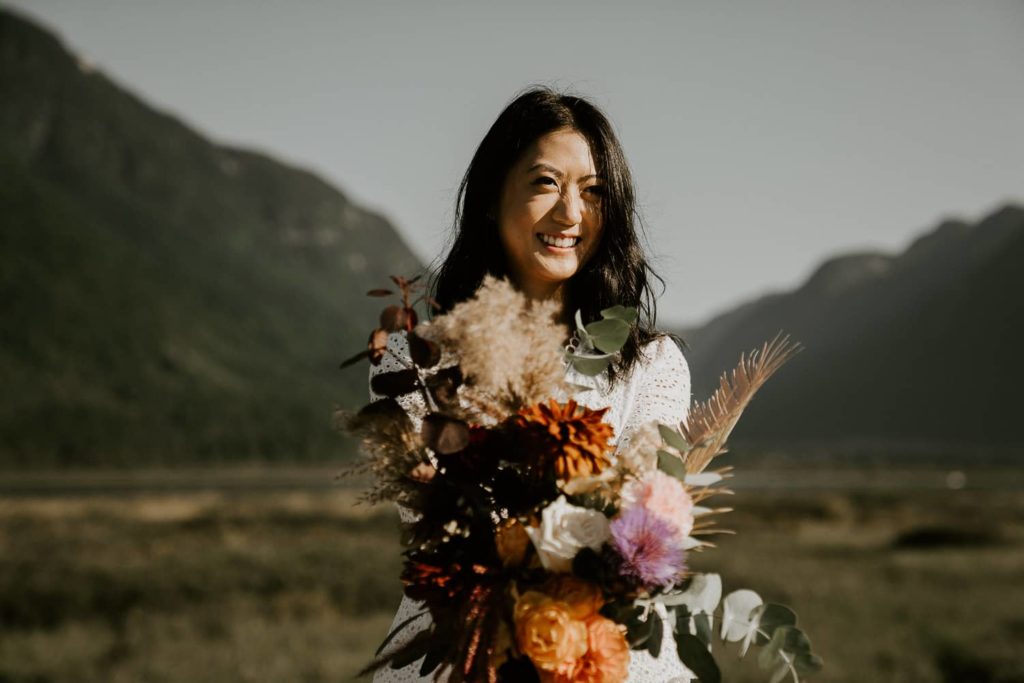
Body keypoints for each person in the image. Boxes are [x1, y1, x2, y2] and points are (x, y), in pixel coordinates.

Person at [369, 86, 694, 683]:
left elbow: (650, 513)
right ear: (493, 196)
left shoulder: (649, 365)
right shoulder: (415, 359)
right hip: (458, 653)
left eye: (593, 191)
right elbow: (433, 524)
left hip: (608, 660)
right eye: (546, 183)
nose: (571, 214)